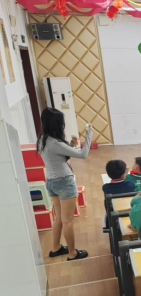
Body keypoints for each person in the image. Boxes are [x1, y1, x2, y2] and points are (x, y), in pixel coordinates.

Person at [38, 108, 93, 261]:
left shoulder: (42, 139)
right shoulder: (55, 142)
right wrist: (89, 134)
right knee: (67, 220)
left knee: (59, 218)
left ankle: (55, 248)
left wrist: (70, 145)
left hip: (51, 181)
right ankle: (72, 253)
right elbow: (83, 154)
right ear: (56, 124)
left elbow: (58, 157)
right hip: (63, 182)